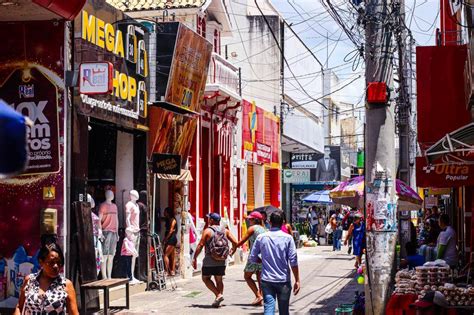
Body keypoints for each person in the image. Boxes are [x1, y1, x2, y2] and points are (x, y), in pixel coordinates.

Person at [249, 210, 300, 315]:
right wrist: (297, 280)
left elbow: (252, 258)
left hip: (267, 280)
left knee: (268, 307)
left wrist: (263, 260)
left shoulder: (261, 238)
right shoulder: (288, 238)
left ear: (270, 222)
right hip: (283, 280)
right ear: (282, 223)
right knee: (284, 310)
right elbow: (293, 260)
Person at [14, 242, 79, 315]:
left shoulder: (65, 285)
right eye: (51, 262)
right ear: (41, 262)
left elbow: (74, 313)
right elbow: (19, 307)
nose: (55, 266)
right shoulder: (30, 280)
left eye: (59, 262)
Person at [192, 213, 238, 308]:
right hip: (222, 259)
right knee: (219, 280)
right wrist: (231, 252)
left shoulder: (208, 231)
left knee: (206, 278)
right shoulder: (225, 231)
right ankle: (218, 299)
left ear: (212, 220)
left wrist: (195, 257)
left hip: (210, 259)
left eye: (209, 219)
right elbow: (235, 242)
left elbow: (201, 245)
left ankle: (218, 295)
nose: (208, 220)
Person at [230, 211, 266, 306]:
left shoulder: (252, 229)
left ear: (255, 220)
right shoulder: (264, 229)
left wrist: (233, 248)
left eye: (250, 219)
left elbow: (242, 241)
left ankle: (258, 296)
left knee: (247, 276)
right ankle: (260, 298)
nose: (248, 220)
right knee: (260, 278)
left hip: (254, 256)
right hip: (264, 256)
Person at [163, 207, 178, 276]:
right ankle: (172, 271)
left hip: (171, 238)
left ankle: (166, 271)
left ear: (168, 213)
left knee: (165, 255)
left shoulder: (173, 220)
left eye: (165, 212)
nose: (164, 213)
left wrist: (166, 238)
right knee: (172, 256)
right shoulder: (168, 219)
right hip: (172, 238)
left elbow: (171, 230)